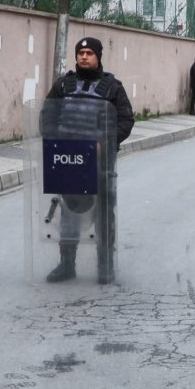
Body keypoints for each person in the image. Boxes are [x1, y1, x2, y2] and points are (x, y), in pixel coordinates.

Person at [42, 37, 134, 283]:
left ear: (98, 56)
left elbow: (126, 120)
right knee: (69, 213)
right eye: (80, 52)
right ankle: (66, 265)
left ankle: (105, 265)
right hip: (68, 161)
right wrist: (54, 143)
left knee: (104, 214)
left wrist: (105, 143)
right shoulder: (63, 86)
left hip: (100, 163)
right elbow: (47, 116)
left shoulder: (112, 87)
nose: (84, 56)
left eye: (89, 53)